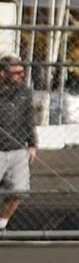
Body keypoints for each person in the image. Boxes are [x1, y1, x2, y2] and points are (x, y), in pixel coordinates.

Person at [0, 55, 33, 228]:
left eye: (22, 72)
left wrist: (33, 144)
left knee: (18, 190)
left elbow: (29, 118)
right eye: (16, 73)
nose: (21, 76)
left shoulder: (25, 92)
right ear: (2, 73)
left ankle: (1, 223)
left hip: (18, 149)